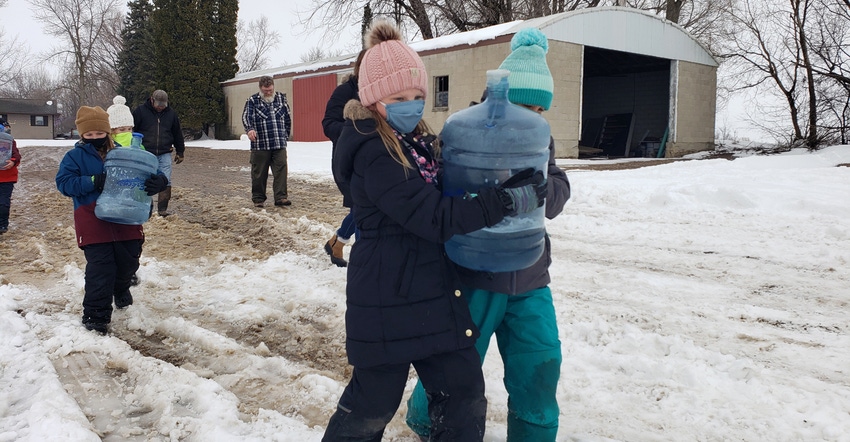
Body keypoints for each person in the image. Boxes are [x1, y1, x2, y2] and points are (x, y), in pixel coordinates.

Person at [322, 20, 547, 441]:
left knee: (463, 397)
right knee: (371, 406)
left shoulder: (414, 141)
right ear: (372, 99)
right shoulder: (373, 150)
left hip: (431, 291)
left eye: (417, 96)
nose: (411, 105)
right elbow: (436, 217)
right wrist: (504, 202)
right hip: (386, 295)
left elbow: (450, 186)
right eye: (398, 98)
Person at [405, 28, 571, 442]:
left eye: (540, 108)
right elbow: (438, 192)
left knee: (541, 364)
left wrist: (544, 192)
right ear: (503, 96)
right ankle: (427, 424)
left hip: (530, 276)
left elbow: (558, 186)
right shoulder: (463, 134)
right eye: (526, 103)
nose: (534, 114)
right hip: (473, 277)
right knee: (454, 368)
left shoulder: (538, 137)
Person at [55, 105, 169, 334]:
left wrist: (160, 181)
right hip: (92, 218)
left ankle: (121, 287)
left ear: (108, 131)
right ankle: (96, 317)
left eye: (100, 133)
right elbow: (64, 184)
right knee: (101, 269)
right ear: (82, 134)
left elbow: (148, 171)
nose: (95, 138)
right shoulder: (74, 157)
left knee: (129, 261)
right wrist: (92, 181)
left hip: (126, 217)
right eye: (89, 134)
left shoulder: (123, 152)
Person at [321, 49, 366, 267]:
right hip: (348, 161)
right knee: (364, 208)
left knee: (363, 207)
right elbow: (328, 124)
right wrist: (356, 131)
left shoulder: (382, 92)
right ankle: (364, 264)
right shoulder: (344, 92)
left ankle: (337, 242)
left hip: (375, 159)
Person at [132, 89, 185, 216]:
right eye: (158, 105)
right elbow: (132, 131)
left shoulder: (171, 114)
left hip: (165, 152)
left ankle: (162, 210)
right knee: (144, 180)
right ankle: (146, 209)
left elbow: (177, 133)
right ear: (152, 100)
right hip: (145, 152)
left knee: (166, 180)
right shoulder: (140, 111)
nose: (161, 107)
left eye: (163, 105)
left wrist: (180, 151)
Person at [242, 75, 292, 208]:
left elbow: (287, 118)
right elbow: (247, 117)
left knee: (281, 170)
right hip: (260, 144)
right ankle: (258, 198)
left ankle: (281, 197)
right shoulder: (253, 100)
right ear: (260, 88)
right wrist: (250, 129)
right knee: (259, 173)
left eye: (270, 90)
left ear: (273, 87)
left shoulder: (281, 98)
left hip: (279, 143)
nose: (268, 92)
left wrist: (285, 135)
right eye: (266, 90)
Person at [0, 117, 20, 234]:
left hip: (7, 177)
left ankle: (3, 225)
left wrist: (12, 161)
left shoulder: (9, 140)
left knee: (3, 202)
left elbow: (16, 155)